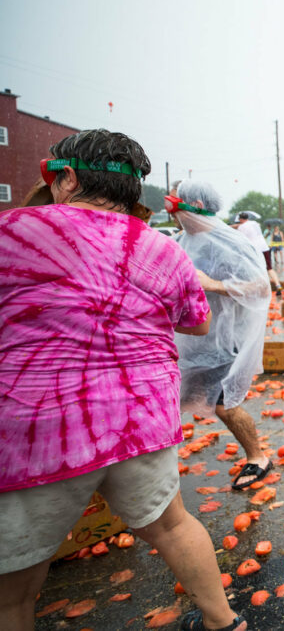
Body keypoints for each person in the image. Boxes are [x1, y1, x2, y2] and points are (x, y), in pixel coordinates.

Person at [0, 130, 245, 631]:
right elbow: (195, 321)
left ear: (65, 178)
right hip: (139, 418)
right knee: (174, 524)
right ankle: (225, 623)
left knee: (13, 587)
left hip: (38, 430)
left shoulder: (12, 232)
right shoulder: (161, 248)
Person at [171, 181, 272, 491]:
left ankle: (258, 457)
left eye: (175, 201)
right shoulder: (178, 241)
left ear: (196, 203)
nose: (170, 209)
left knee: (223, 403)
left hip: (224, 340)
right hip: (190, 339)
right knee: (169, 400)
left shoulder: (230, 242)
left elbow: (260, 286)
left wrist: (212, 284)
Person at [235, 211, 281, 294]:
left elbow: (241, 239)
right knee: (269, 268)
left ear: (240, 219)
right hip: (264, 247)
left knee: (257, 269)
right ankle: (278, 285)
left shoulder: (241, 227)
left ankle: (263, 289)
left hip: (255, 250)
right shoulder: (255, 223)